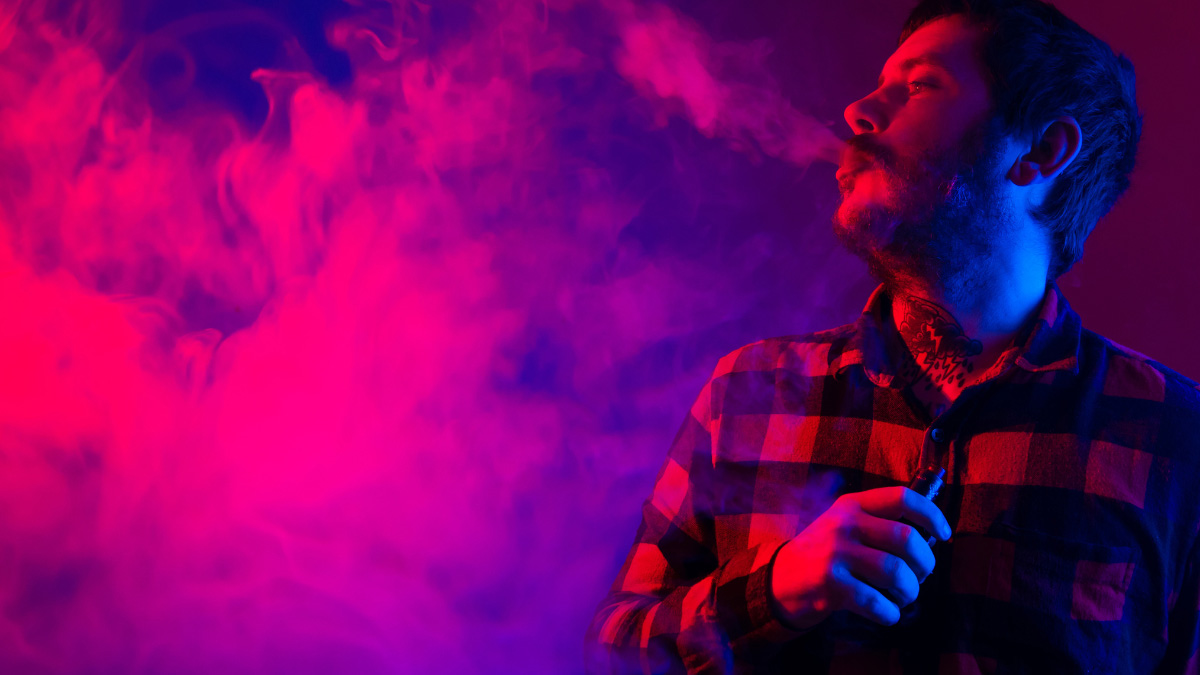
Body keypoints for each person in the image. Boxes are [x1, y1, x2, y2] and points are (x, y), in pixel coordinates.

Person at [584, 0, 1200, 672]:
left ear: (1041, 151)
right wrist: (775, 591)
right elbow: (607, 654)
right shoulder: (747, 392)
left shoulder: (1178, 439)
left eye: (919, 85)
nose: (856, 111)